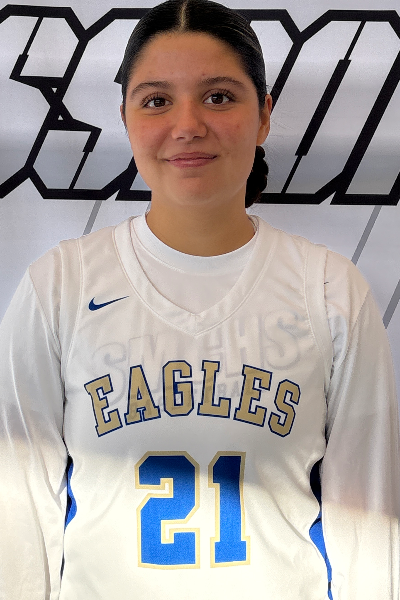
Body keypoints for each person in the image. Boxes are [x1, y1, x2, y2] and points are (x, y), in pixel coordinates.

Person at [0, 0, 399, 598]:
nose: (187, 125)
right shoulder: (59, 285)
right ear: (126, 118)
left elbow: (370, 530)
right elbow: (18, 518)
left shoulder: (329, 290)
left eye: (218, 96)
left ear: (263, 116)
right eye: (156, 100)